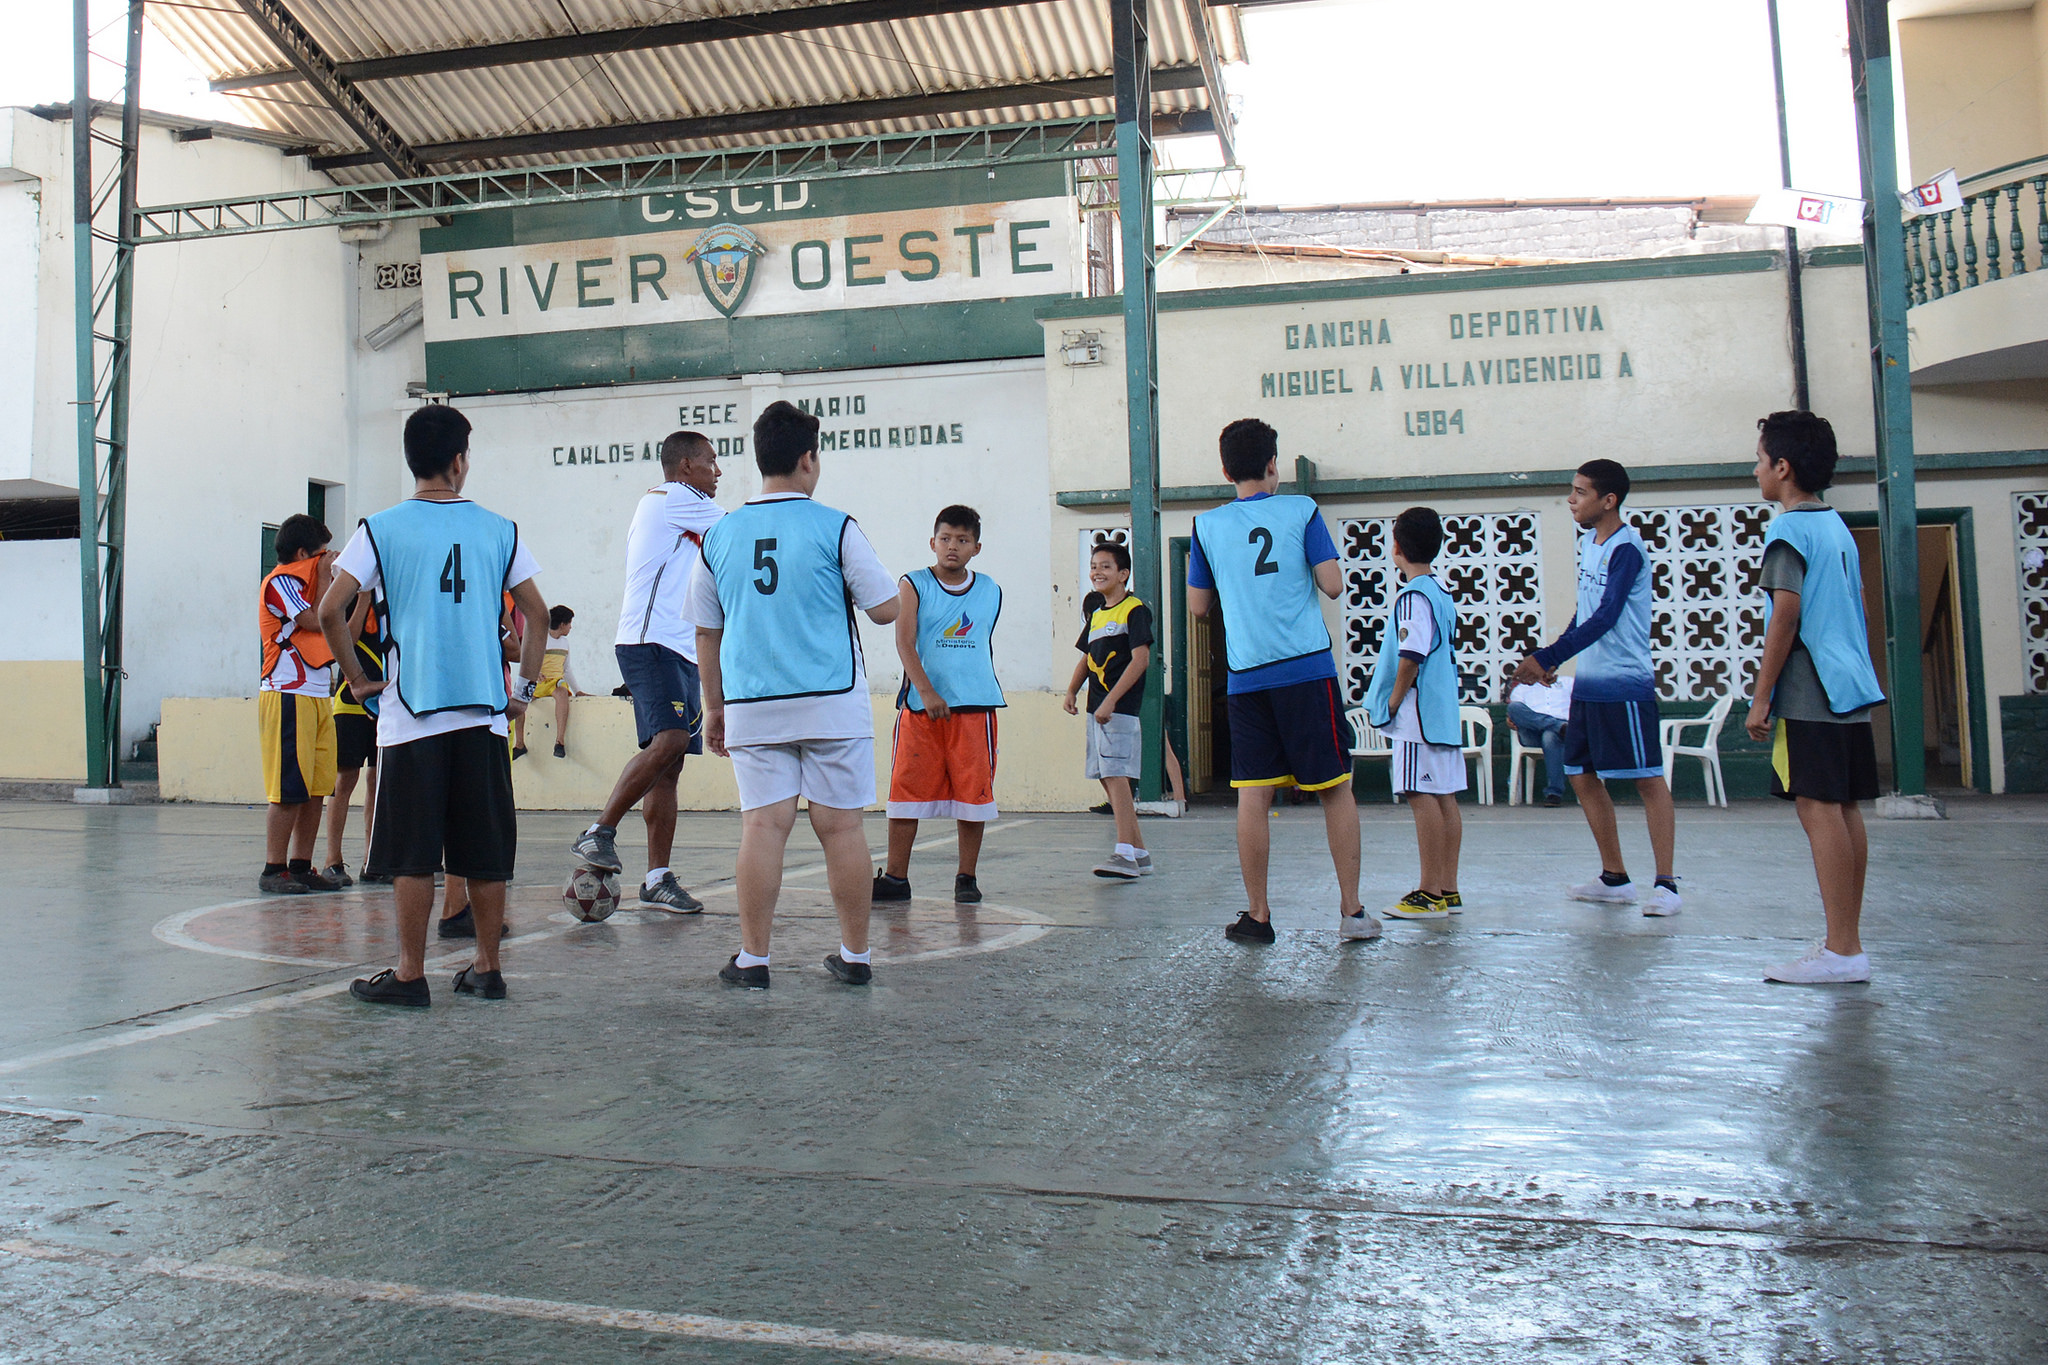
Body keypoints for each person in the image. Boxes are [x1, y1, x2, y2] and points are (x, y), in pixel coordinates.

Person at [320, 403, 547, 1007]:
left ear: (411, 460)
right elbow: (538, 615)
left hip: (409, 716)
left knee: (413, 853)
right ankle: (487, 968)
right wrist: (522, 694)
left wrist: (357, 679)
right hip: (483, 716)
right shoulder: (500, 529)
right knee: (485, 851)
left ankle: (410, 974)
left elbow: (330, 611)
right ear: (460, 462)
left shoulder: (379, 528)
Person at [687, 401, 899, 988]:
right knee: (842, 829)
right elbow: (885, 609)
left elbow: (706, 631)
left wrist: (713, 708)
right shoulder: (836, 526)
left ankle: (754, 960)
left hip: (753, 704)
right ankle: (855, 956)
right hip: (832, 701)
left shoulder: (719, 534)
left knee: (763, 827)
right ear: (808, 460)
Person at [1188, 418, 1372, 942]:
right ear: (1273, 465)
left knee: (1254, 793)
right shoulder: (1302, 509)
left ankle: (1258, 915)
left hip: (1247, 676)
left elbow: (1198, 607)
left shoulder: (1206, 525)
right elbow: (1332, 584)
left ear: (1226, 471)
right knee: (1334, 787)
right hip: (1306, 669)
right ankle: (1352, 913)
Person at [1745, 411, 1886, 985]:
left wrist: (1762, 696)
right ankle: (1845, 943)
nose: (1756, 470)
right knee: (1844, 808)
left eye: (1760, 460)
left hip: (1813, 689)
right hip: (1850, 685)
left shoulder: (1788, 532)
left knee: (1818, 809)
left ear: (1782, 467)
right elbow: (1861, 607)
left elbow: (1786, 615)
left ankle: (1842, 952)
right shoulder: (1836, 527)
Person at [1512, 459, 1682, 917]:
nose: (1571, 500)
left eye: (1581, 492)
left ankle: (1667, 885)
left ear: (1608, 501)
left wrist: (1548, 655)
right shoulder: (1590, 543)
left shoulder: (1627, 549)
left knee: (1647, 779)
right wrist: (1554, 658)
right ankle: (1615, 878)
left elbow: (1607, 616)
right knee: (1579, 773)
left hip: (1625, 685)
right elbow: (1585, 613)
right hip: (1588, 686)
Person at [569, 432, 726, 916]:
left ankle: (657, 879)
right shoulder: (674, 497)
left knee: (669, 765)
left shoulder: (687, 509)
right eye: (711, 462)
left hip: (680, 647)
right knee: (671, 739)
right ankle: (598, 831)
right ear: (686, 466)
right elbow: (744, 530)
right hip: (648, 641)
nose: (718, 472)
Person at [874, 505, 1004, 906]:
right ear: (933, 542)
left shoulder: (990, 590)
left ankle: (967, 877)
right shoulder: (913, 584)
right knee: (905, 792)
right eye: (946, 538)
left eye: (963, 540)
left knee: (974, 795)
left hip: (974, 708)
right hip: (921, 709)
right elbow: (904, 641)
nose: (953, 546)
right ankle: (896, 877)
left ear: (976, 548)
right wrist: (927, 691)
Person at [1363, 507, 1466, 921]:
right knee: (1444, 798)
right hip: (1443, 713)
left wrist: (1392, 702)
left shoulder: (1412, 596)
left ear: (1397, 547)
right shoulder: (1442, 593)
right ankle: (1448, 889)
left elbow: (1410, 656)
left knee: (1419, 795)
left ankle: (1428, 892)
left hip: (1416, 717)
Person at [257, 514, 341, 895]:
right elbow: (314, 620)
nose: (327, 560)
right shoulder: (280, 582)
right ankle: (273, 869)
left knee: (316, 787)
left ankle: (301, 865)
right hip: (288, 693)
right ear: (304, 554)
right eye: (322, 554)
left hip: (318, 694)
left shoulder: (308, 583)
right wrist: (324, 577)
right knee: (289, 787)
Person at [1063, 542, 1155, 881]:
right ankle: (1140, 853)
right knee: (1106, 776)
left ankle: (1124, 853)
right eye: (1093, 566)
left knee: (1117, 776)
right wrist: (1072, 690)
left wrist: (1112, 700)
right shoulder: (1098, 614)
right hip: (1096, 710)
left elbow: (1140, 660)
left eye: (1105, 566)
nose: (1097, 572)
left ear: (1123, 574)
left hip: (1119, 710)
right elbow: (1087, 659)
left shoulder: (1134, 610)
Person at [321, 587, 385, 886]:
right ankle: (332, 859)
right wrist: (363, 599)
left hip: (387, 700)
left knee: (378, 780)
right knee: (344, 779)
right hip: (350, 700)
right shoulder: (348, 596)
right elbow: (347, 638)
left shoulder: (393, 597)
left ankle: (373, 859)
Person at [514, 605, 585, 759]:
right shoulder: (539, 638)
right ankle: (519, 743)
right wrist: (535, 673)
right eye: (569, 623)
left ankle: (559, 741)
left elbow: (566, 669)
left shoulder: (565, 643)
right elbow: (526, 659)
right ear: (562, 624)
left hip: (555, 682)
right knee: (519, 701)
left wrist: (578, 690)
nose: (571, 627)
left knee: (562, 694)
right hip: (538, 682)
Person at [1506, 674, 1573, 807]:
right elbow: (1515, 714)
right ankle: (1558, 726)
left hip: (1560, 736)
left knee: (1549, 737)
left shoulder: (1569, 683)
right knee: (1514, 708)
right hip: (1532, 735)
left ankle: (1554, 794)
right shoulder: (1523, 687)